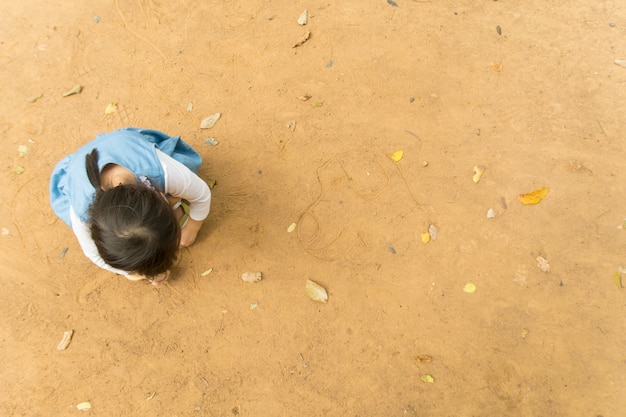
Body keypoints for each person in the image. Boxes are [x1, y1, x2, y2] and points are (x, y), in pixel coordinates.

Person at [50, 127, 212, 284]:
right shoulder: (82, 211)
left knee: (186, 171)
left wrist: (192, 228)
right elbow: (93, 254)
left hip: (128, 148)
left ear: (162, 197)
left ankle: (171, 213)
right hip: (80, 170)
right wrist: (133, 272)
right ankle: (172, 213)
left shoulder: (161, 169)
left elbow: (202, 194)